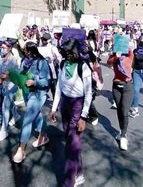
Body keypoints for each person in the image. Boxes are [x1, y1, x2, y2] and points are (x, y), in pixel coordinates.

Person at [49, 38, 92, 187]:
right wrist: (54, 108)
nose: (67, 55)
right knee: (70, 142)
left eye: (69, 52)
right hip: (65, 105)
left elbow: (89, 93)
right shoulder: (62, 64)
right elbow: (59, 88)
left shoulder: (83, 67)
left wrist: (83, 116)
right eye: (64, 52)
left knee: (71, 147)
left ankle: (69, 182)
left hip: (77, 107)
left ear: (75, 52)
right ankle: (79, 173)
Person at [13, 41, 51, 163]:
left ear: (31, 50)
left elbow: (46, 81)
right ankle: (44, 135)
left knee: (28, 119)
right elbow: (21, 73)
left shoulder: (42, 62)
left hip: (38, 94)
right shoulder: (24, 61)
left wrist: (35, 82)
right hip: (26, 92)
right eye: (23, 50)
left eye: (26, 50)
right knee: (36, 116)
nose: (24, 52)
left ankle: (21, 149)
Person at [107, 48, 134, 151]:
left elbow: (131, 52)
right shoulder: (114, 56)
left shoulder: (129, 55)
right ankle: (122, 130)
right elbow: (109, 62)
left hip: (128, 86)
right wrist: (115, 55)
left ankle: (123, 135)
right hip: (116, 86)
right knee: (119, 110)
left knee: (124, 111)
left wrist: (125, 44)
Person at [0, 40, 19, 141]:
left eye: (4, 48)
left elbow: (17, 73)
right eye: (1, 48)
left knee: (5, 106)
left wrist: (8, 74)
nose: (2, 49)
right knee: (10, 103)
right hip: (2, 85)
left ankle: (4, 130)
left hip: (12, 85)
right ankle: (16, 116)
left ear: (9, 48)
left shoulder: (13, 60)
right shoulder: (0, 58)